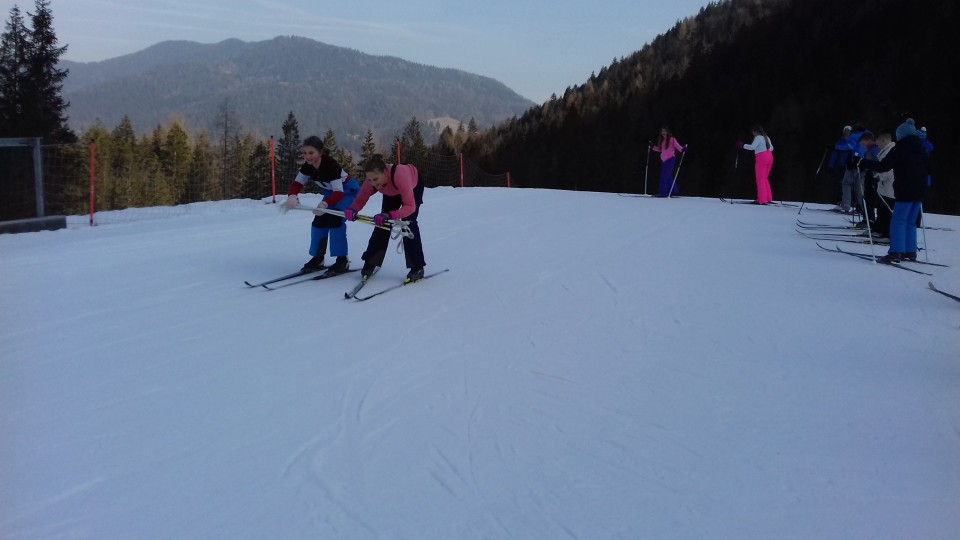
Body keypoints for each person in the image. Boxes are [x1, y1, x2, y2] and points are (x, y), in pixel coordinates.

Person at [284, 136, 360, 275]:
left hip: (347, 192)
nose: (307, 156)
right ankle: (318, 258)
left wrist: (325, 203)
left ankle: (342, 260)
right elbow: (297, 184)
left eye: (311, 153)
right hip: (332, 193)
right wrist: (292, 196)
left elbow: (339, 193)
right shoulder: (308, 166)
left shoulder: (331, 166)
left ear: (320, 152)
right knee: (319, 221)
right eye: (305, 153)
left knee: (335, 220)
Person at [344, 155, 427, 282]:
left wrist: (390, 215)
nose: (373, 183)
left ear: (385, 172)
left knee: (408, 224)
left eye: (375, 179)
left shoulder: (400, 175)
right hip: (391, 190)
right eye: (370, 180)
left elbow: (410, 207)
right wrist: (353, 209)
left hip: (413, 186)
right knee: (382, 224)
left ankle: (418, 267)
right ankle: (371, 261)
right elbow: (361, 198)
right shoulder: (373, 180)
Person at [860, 119, 929, 263]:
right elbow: (929, 169)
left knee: (898, 221)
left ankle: (896, 251)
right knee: (910, 222)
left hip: (905, 190)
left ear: (901, 135)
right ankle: (910, 251)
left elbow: (883, 166)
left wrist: (862, 163)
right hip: (919, 191)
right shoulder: (921, 149)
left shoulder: (899, 148)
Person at [736, 125, 774, 205]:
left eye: (753, 132)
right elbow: (772, 148)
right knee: (764, 178)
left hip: (761, 157)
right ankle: (768, 198)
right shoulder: (766, 137)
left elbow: (752, 147)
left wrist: (742, 145)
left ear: (755, 132)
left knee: (760, 179)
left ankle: (762, 200)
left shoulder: (758, 137)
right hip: (769, 156)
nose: (753, 134)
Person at [872, 132, 896, 238]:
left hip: (889, 187)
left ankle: (885, 233)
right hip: (886, 187)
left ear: (883, 141)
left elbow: (887, 170)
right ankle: (879, 229)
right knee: (882, 208)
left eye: (878, 143)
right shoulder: (888, 150)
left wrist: (878, 176)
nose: (877, 145)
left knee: (886, 209)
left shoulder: (888, 152)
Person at [651, 127, 685, 197]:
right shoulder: (663, 141)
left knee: (664, 176)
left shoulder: (672, 139)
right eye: (662, 131)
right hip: (665, 161)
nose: (663, 133)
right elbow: (660, 149)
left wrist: (683, 149)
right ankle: (674, 191)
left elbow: (678, 146)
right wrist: (652, 147)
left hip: (670, 159)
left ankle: (663, 193)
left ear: (667, 132)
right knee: (668, 176)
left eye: (664, 131)